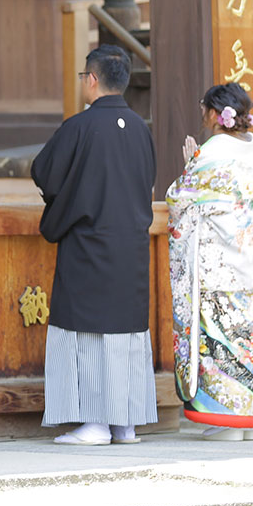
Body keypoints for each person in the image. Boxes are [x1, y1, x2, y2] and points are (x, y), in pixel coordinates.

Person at [31, 45, 158, 445]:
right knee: (124, 335)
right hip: (131, 248)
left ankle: (95, 423)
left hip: (89, 244)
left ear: (91, 79)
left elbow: (44, 174)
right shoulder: (140, 129)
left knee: (88, 334)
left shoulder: (79, 127)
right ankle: (125, 423)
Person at [166, 82, 253, 441]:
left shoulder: (211, 154)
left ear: (216, 115)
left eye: (205, 107)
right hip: (251, 264)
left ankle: (227, 422)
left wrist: (190, 164)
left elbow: (178, 199)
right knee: (247, 342)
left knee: (219, 345)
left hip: (218, 268)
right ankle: (250, 420)